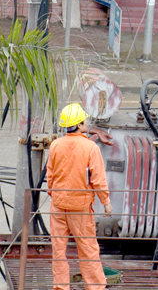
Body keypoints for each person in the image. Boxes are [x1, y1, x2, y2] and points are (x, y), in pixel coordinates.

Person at [47, 103, 113, 290]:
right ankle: (95, 287)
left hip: (58, 206)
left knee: (58, 250)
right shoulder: (90, 148)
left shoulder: (55, 145)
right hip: (80, 208)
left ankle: (61, 287)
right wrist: (106, 202)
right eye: (85, 120)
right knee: (87, 248)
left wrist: (55, 195)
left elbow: (50, 177)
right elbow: (98, 178)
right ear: (80, 124)